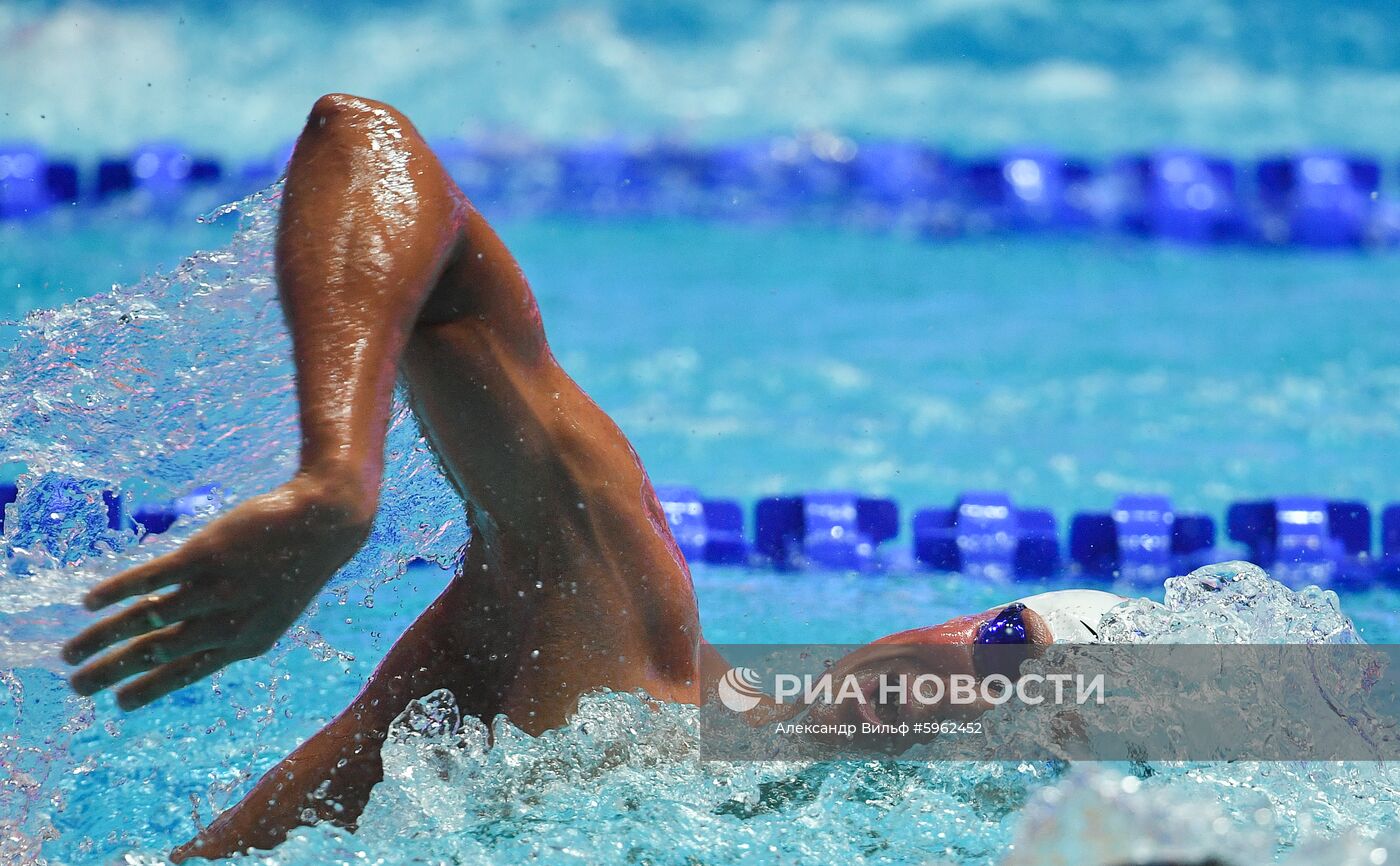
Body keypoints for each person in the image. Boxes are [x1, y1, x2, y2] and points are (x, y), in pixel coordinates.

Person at [57, 94, 1123, 861]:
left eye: (1015, 722)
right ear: (961, 613)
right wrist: (337, 476)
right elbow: (369, 143)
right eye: (1004, 646)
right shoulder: (621, 643)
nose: (960, 693)